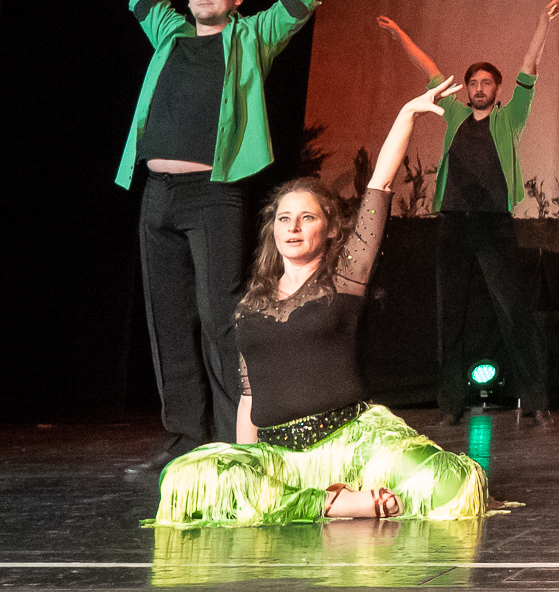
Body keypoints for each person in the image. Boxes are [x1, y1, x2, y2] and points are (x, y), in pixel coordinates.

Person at [65, 0, 407, 473]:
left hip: (213, 196)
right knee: (168, 322)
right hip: (157, 196)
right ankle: (183, 440)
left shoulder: (255, 35)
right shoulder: (167, 30)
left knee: (222, 318)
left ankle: (232, 443)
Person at [152, 83, 490, 527]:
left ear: (330, 230)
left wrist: (406, 115)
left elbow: (380, 185)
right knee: (183, 478)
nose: (293, 227)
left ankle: (313, 502)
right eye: (284, 218)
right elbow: (250, 395)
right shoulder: (250, 304)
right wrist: (248, 465)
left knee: (455, 483)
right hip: (279, 455)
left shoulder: (345, 278)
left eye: (307, 217)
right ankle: (331, 504)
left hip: (354, 442)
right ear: (273, 230)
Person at [375, 0, 559, 429]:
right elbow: (429, 69)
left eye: (486, 83)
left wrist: (542, 21)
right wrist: (400, 34)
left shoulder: (510, 118)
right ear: (466, 89)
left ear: (497, 89)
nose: (479, 88)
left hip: (494, 225)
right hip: (454, 224)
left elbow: (529, 67)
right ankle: (450, 405)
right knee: (450, 316)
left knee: (513, 312)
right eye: (473, 83)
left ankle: (536, 401)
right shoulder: (455, 114)